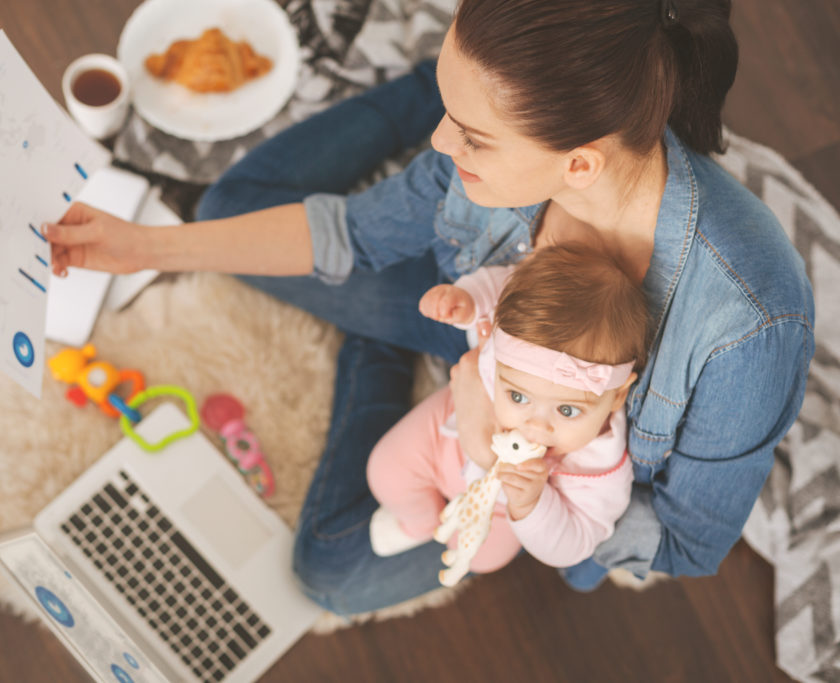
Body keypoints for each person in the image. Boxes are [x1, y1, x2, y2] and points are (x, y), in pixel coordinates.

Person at [44, 0, 814, 614]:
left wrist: (514, 459)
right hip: (460, 314)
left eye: (470, 133)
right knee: (226, 204)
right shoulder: (489, 167)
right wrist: (142, 246)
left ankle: (377, 340)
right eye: (448, 114)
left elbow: (684, 541)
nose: (442, 146)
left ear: (578, 163)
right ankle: (431, 78)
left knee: (331, 570)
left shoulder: (749, 322)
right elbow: (352, 231)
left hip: (523, 441)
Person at [366, 243, 646, 578]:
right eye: (518, 397)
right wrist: (468, 301)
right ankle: (419, 523)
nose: (536, 426)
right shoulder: (510, 334)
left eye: (568, 411)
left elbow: (577, 543)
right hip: (450, 432)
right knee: (384, 470)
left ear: (616, 397)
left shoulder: (600, 468)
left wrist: (531, 503)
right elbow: (504, 287)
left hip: (500, 508)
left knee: (484, 559)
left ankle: (454, 532)